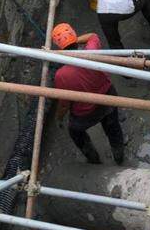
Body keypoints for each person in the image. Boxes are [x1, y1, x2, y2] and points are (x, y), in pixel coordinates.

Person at [51, 22, 126, 165]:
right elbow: (92, 35)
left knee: (75, 132)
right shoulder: (92, 50)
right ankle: (119, 155)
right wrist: (73, 40)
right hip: (107, 98)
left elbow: (64, 104)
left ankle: (93, 159)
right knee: (113, 127)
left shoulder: (62, 75)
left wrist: (59, 118)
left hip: (85, 113)